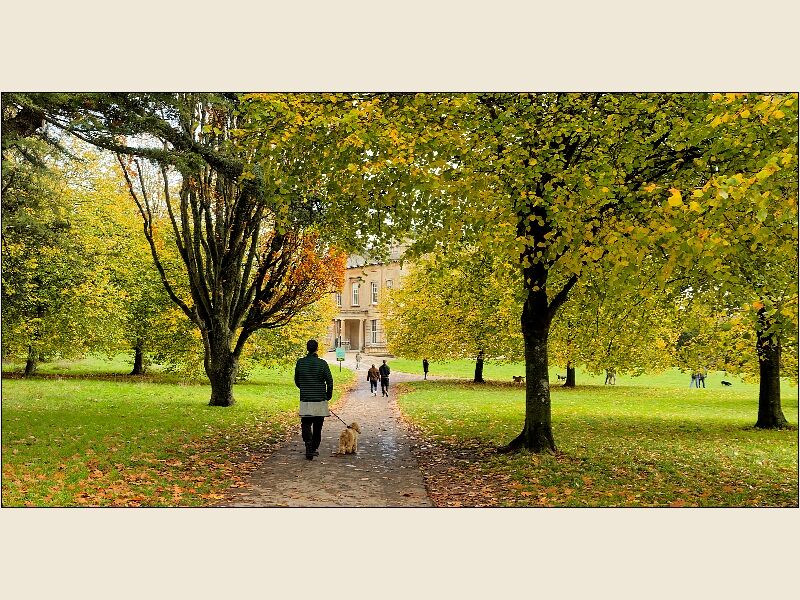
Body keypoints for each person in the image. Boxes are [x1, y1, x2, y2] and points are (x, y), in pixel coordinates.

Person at [294, 339, 333, 460]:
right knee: (318, 425)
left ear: (307, 348)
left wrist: (304, 388)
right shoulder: (322, 363)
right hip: (320, 398)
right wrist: (328, 395)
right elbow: (329, 381)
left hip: (306, 398)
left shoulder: (301, 363)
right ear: (317, 349)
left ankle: (308, 446)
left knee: (306, 423)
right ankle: (314, 447)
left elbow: (297, 380)